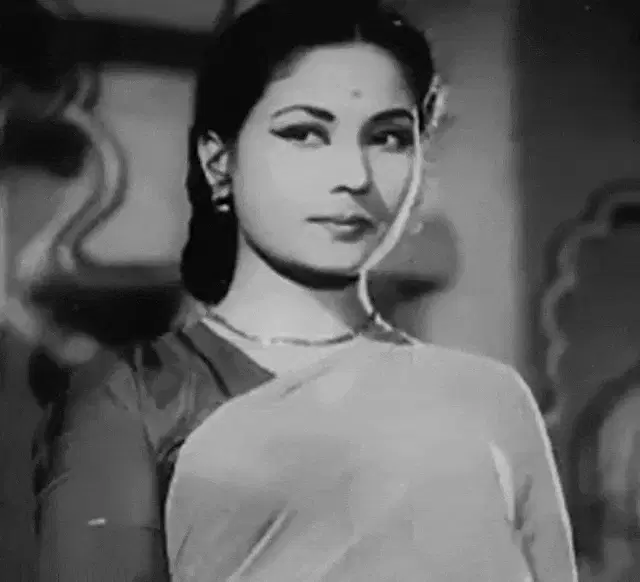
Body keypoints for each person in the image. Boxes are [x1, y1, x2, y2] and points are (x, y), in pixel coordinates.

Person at [33, 0, 578, 580]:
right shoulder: (135, 399)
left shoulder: (491, 400)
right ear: (218, 162)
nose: (355, 176)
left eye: (389, 138)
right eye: (304, 133)